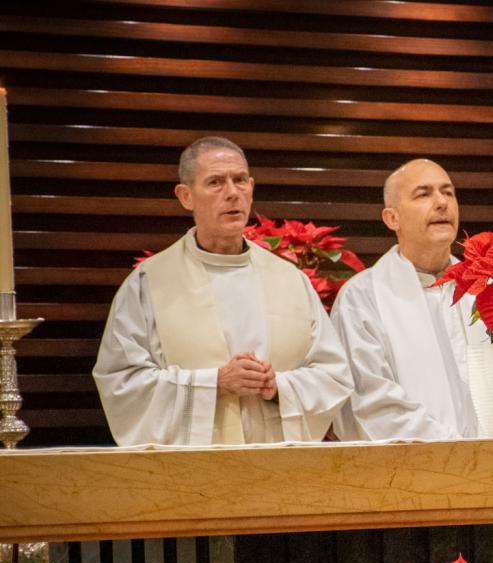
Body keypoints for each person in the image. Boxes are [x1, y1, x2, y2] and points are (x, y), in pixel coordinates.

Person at [94, 136, 350, 446]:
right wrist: (213, 383)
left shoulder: (289, 279)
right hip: (194, 473)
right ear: (185, 196)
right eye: (215, 182)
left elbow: (333, 373)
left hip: (279, 466)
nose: (232, 193)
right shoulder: (149, 282)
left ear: (252, 188)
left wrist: (278, 387)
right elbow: (122, 383)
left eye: (240, 180)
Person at [331, 159, 486, 440]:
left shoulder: (485, 289)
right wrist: (461, 453)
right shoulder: (362, 298)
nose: (441, 203)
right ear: (392, 218)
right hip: (411, 471)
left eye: (448, 192)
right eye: (424, 194)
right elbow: (371, 402)